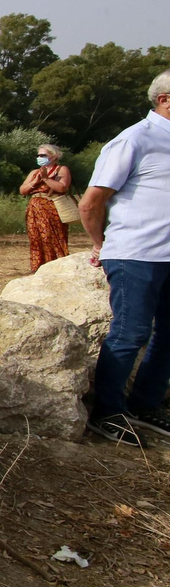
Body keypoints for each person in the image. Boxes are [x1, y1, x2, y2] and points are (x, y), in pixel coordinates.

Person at [79, 69, 170, 445]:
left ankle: (147, 404)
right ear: (164, 99)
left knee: (168, 334)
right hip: (136, 254)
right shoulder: (135, 139)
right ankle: (108, 412)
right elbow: (91, 203)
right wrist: (102, 244)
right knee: (130, 332)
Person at [18, 143, 73, 271]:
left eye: (43, 155)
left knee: (52, 238)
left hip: (52, 208)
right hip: (34, 209)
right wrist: (35, 182)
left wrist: (46, 179)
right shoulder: (34, 172)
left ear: (53, 156)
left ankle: (56, 266)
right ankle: (38, 267)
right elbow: (22, 190)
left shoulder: (61, 169)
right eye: (38, 155)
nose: (39, 157)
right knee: (35, 238)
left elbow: (62, 187)